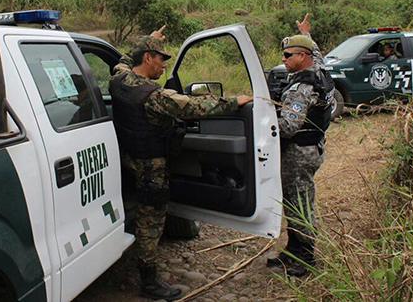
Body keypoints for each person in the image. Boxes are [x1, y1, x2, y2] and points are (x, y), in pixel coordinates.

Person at [109, 26, 252, 301]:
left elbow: (124, 60)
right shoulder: (153, 95)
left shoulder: (119, 80)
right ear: (148, 57)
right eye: (162, 58)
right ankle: (149, 281)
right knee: (151, 221)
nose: (164, 64)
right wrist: (235, 101)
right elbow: (191, 107)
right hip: (151, 166)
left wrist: (146, 38)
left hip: (129, 157)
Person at [267, 16, 334, 277]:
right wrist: (306, 33)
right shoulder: (318, 69)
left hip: (299, 153)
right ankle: (293, 249)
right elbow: (317, 52)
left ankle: (305, 257)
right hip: (313, 148)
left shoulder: (301, 86)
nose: (283, 59)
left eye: (288, 54)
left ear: (302, 56)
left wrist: (265, 119)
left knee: (300, 203)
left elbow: (287, 127)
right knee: (295, 201)